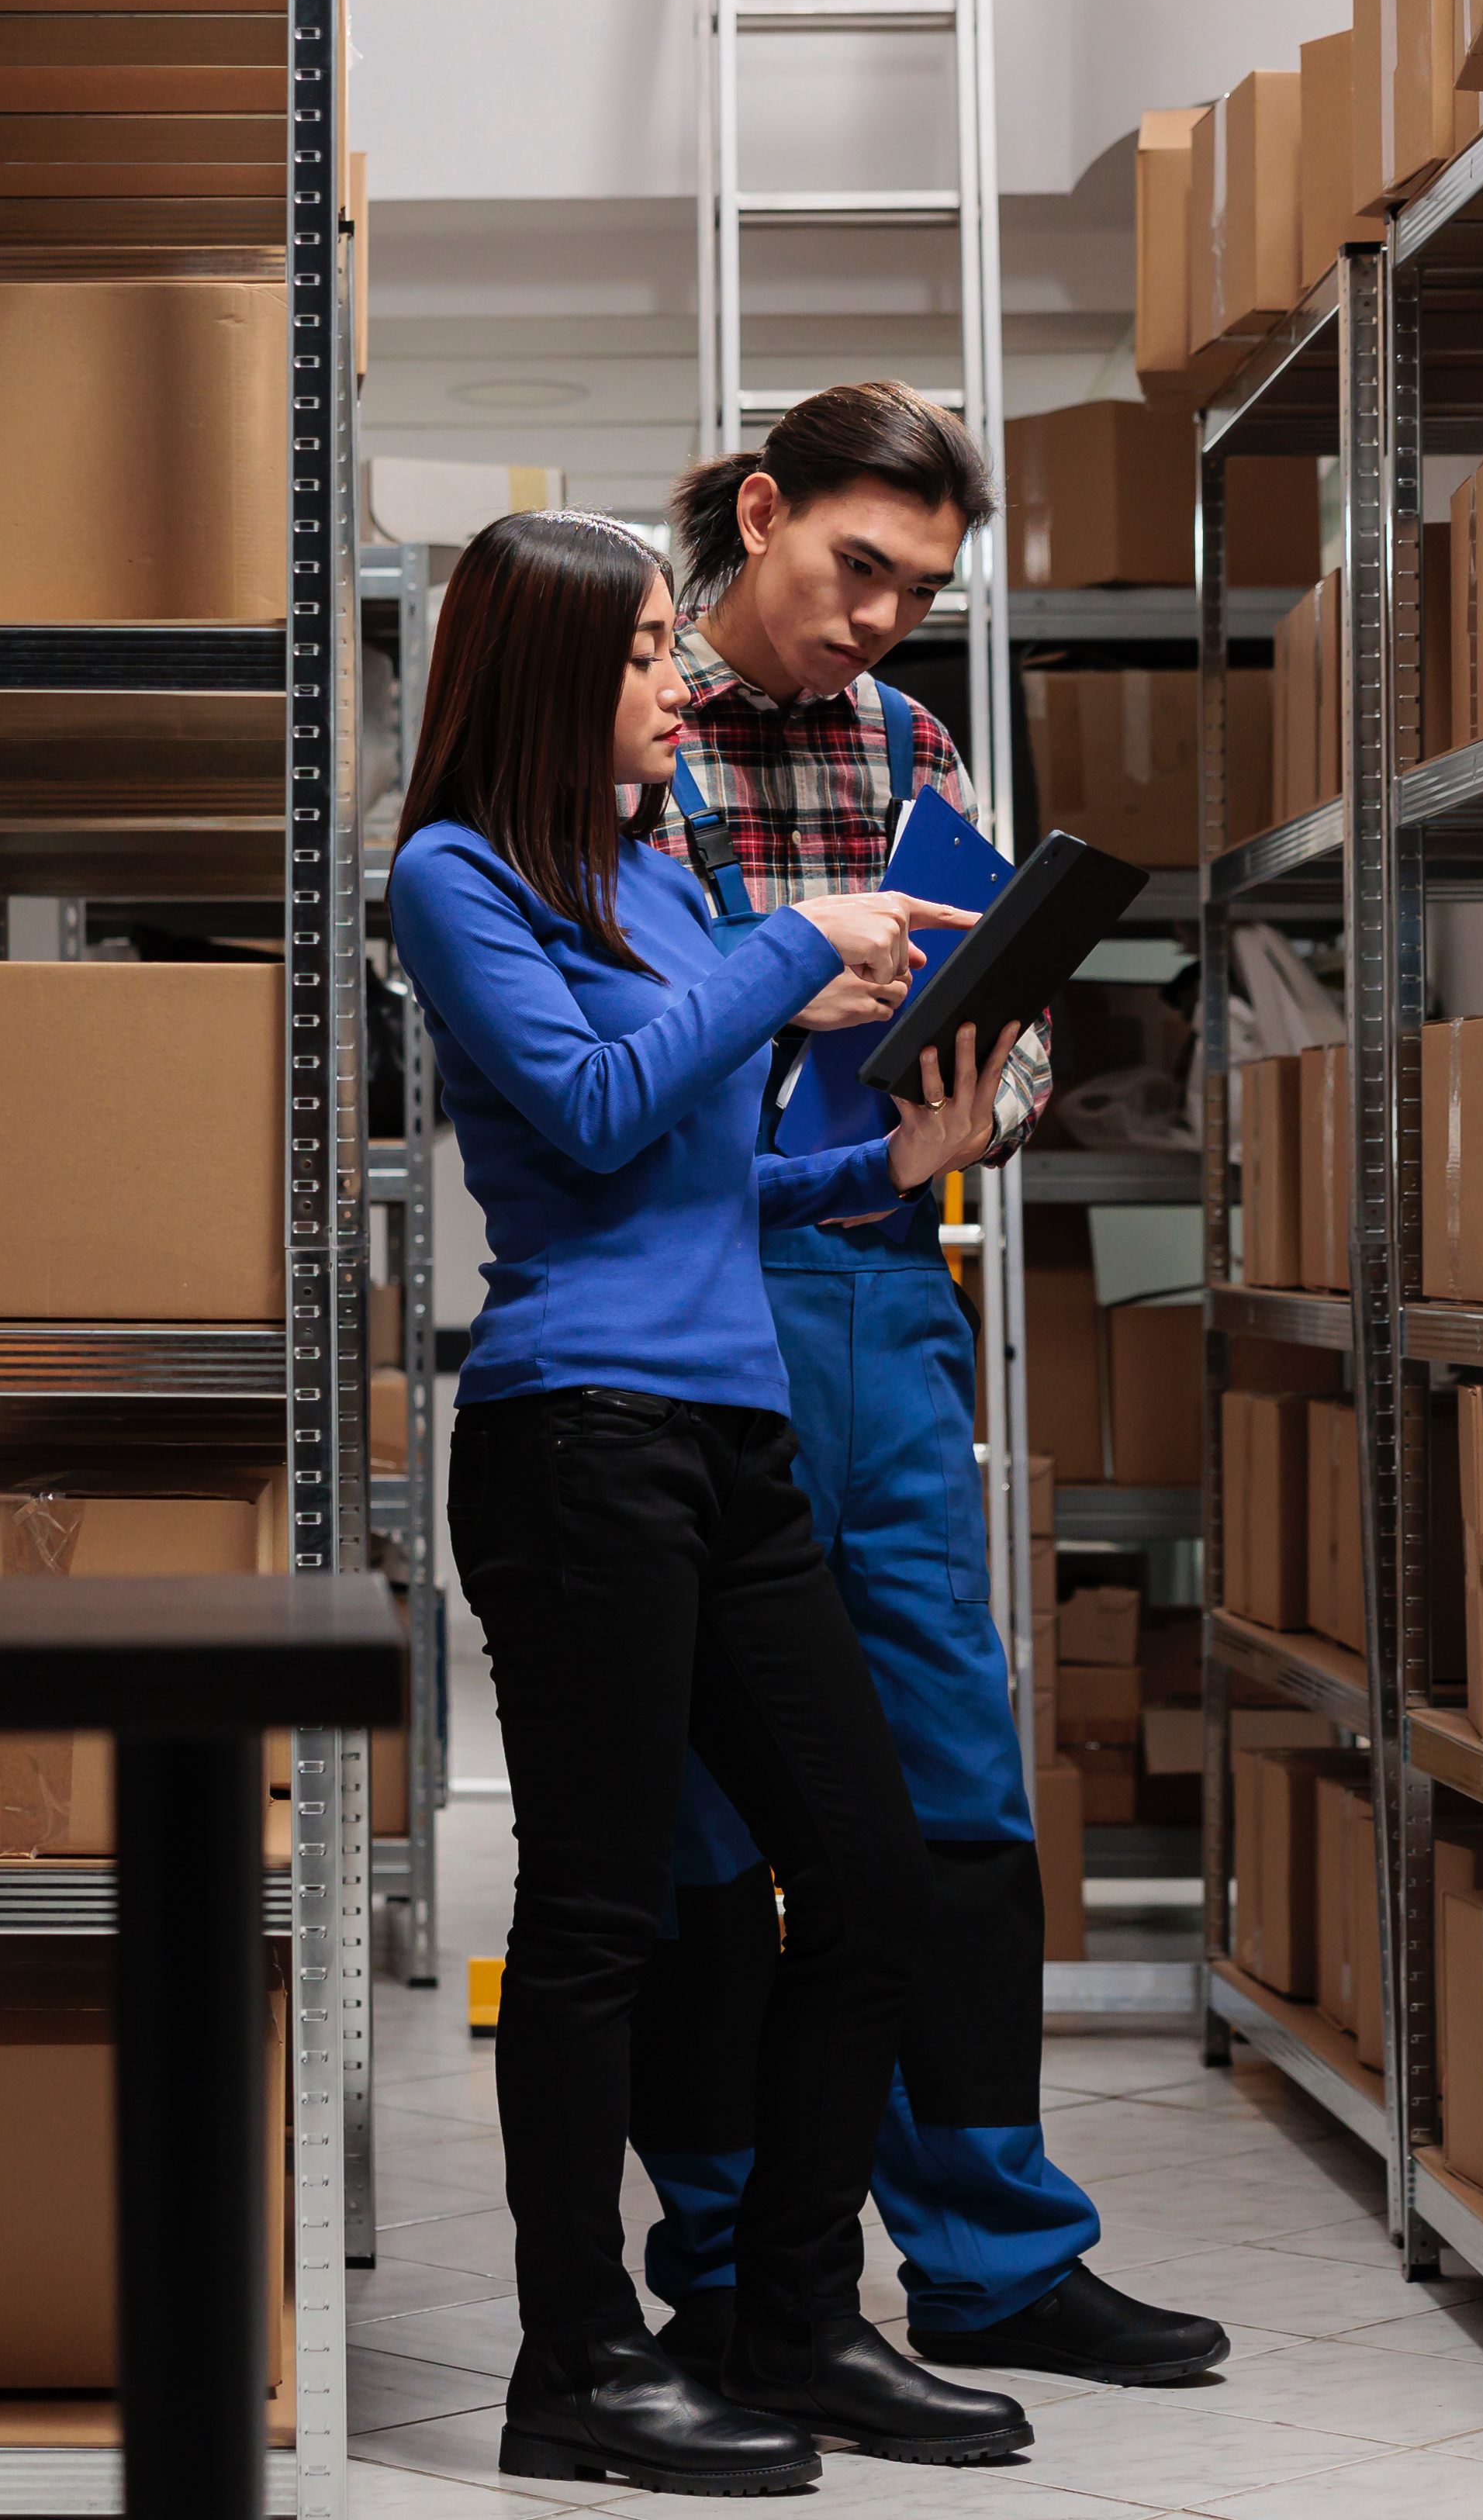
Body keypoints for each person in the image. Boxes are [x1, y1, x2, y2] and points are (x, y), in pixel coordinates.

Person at [390, 505, 1034, 2491]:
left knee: (868, 1883)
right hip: (580, 1434)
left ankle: (784, 2315)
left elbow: (700, 1179)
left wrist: (883, 1164)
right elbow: (585, 1122)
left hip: (731, 1434)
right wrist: (793, 947)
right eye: (652, 648)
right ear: (551, 668)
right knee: (596, 1917)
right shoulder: (454, 875)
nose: (683, 681)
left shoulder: (659, 875)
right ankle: (572, 2363)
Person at [625, 382, 1231, 2386]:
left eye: (920, 590)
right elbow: (584, 1071)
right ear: (761, 513)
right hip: (695, 1300)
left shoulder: (911, 747)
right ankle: (723, 2266)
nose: (881, 619)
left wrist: (994, 1073)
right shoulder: (625, 739)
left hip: (883, 1294)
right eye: (853, 569)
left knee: (957, 1796)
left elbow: (1019, 1041)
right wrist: (788, 981)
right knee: (712, 1821)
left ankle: (993, 2253)